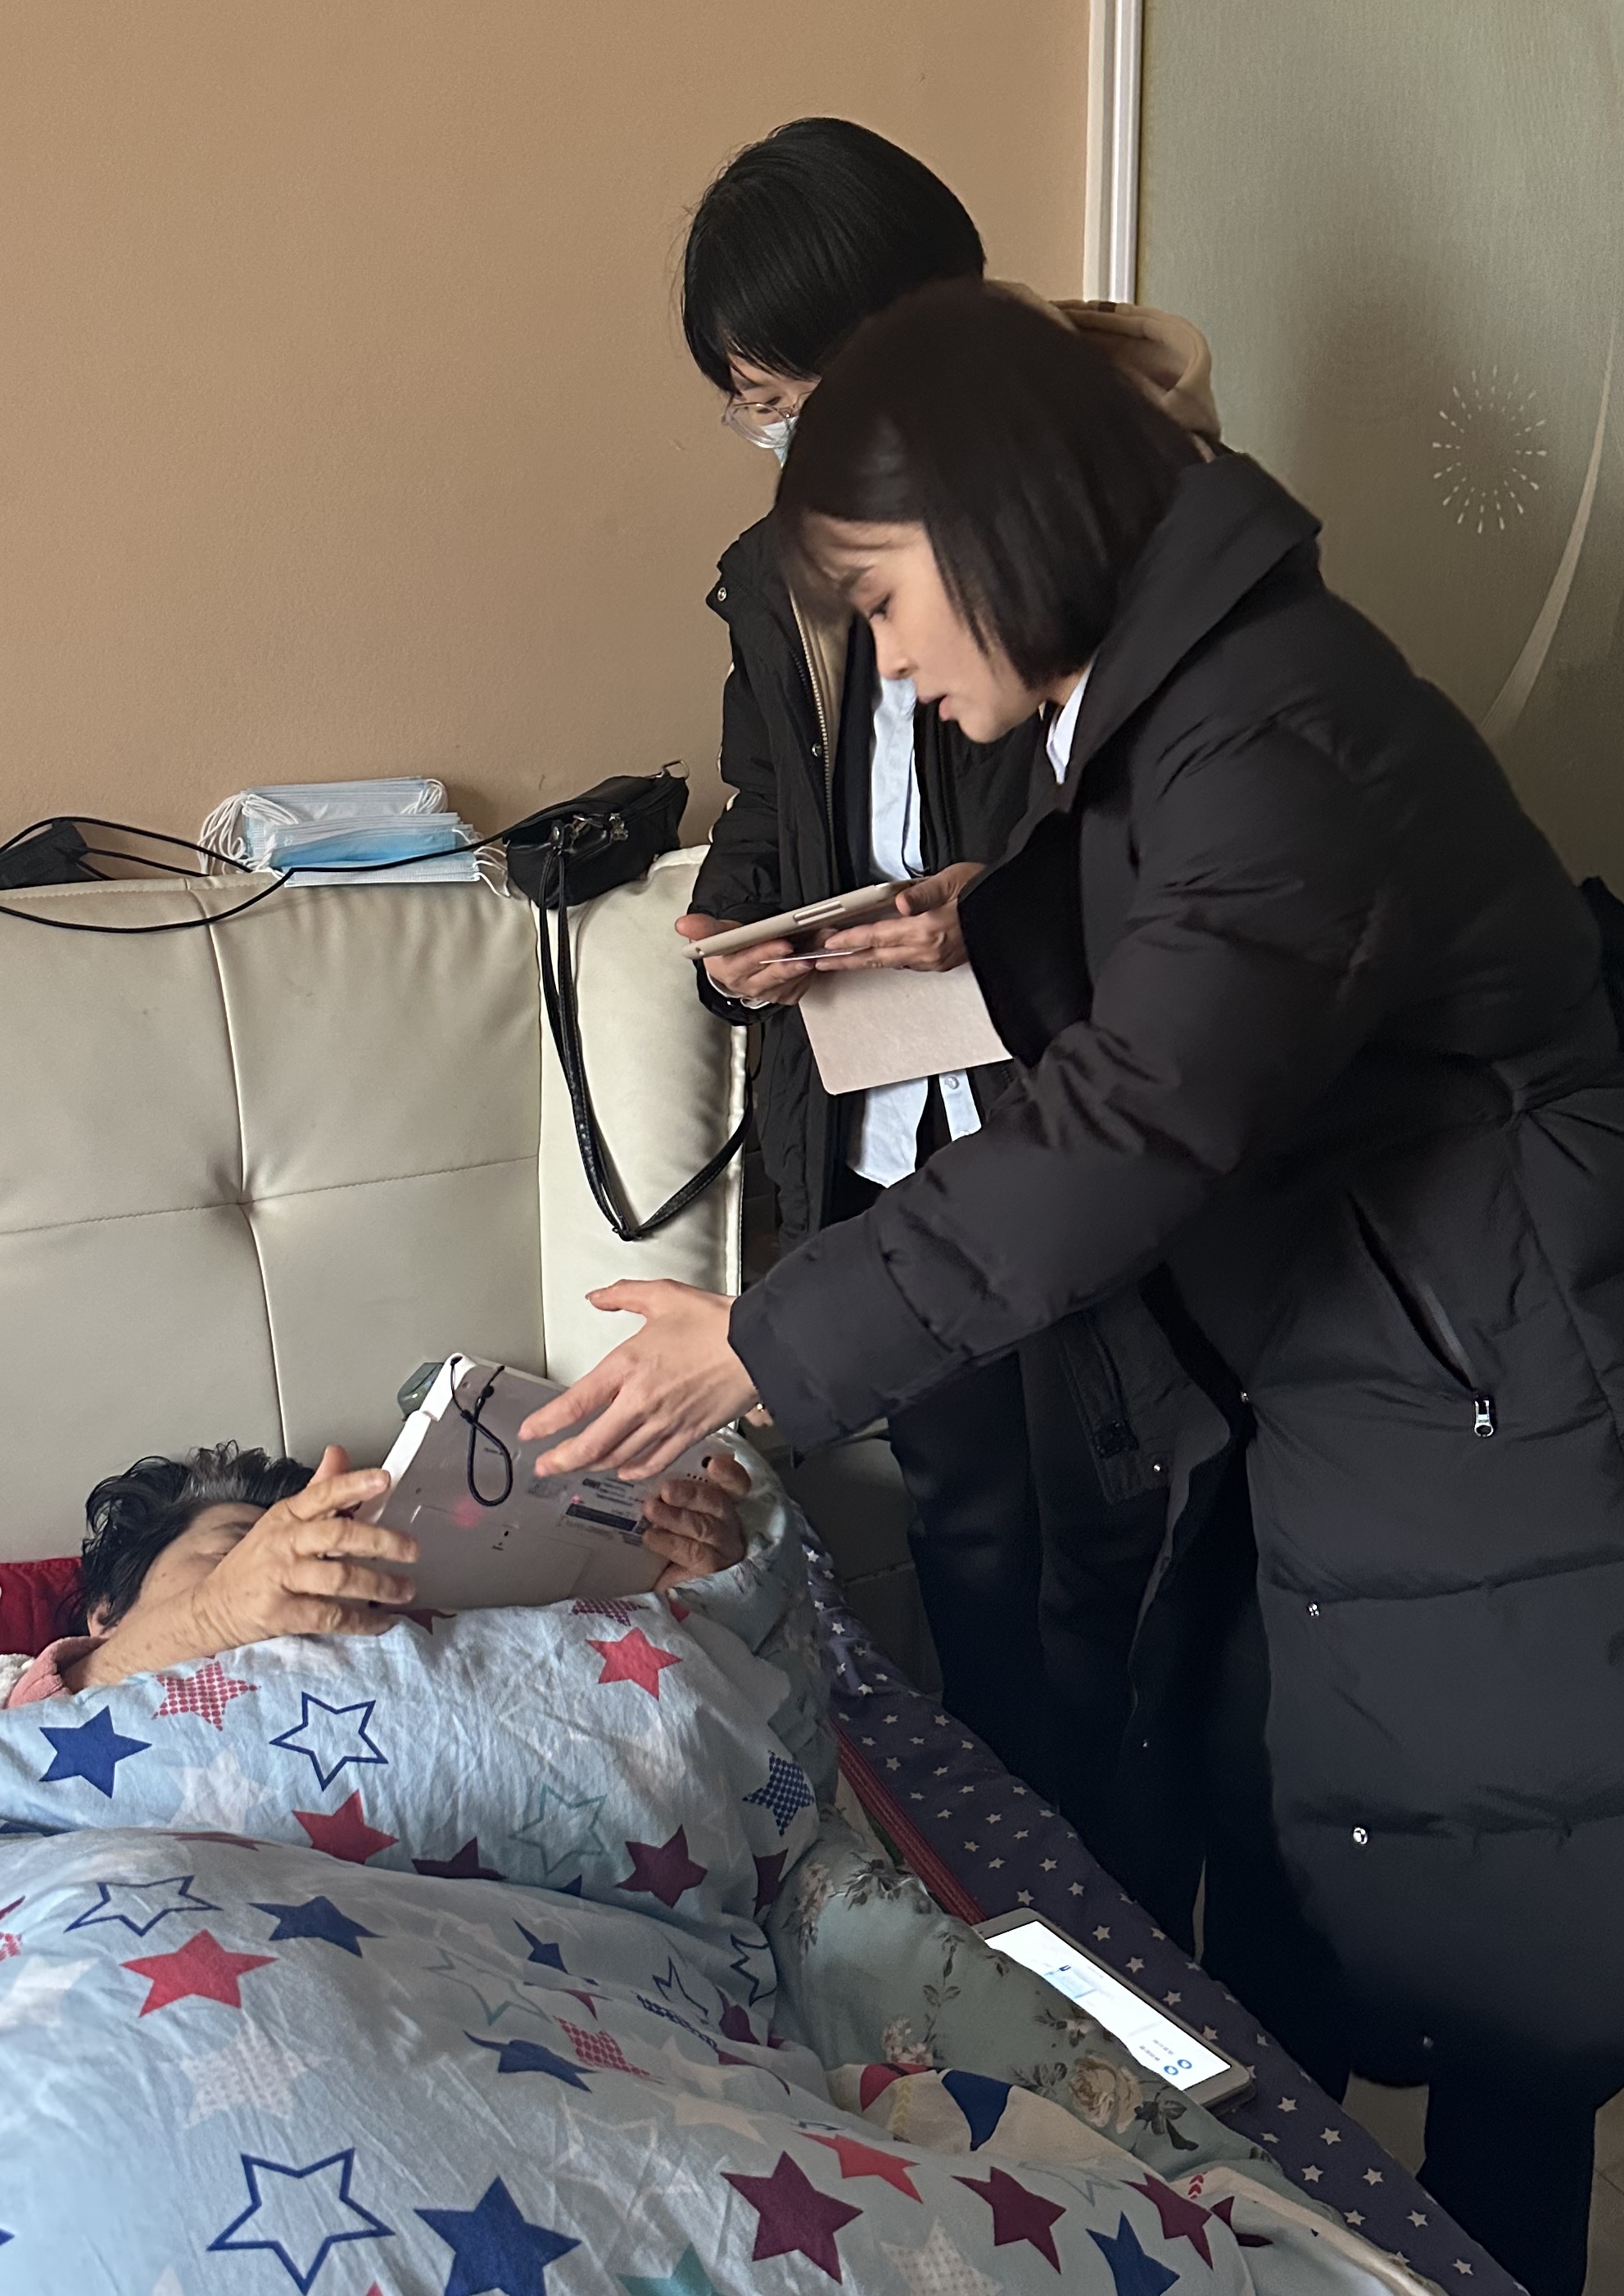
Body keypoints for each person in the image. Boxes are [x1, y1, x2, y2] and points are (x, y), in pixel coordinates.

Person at [522, 283, 1624, 2296]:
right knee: (1321, 1863)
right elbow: (1193, 944)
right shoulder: (1192, 693)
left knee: (1524, 1916)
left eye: (889, 602)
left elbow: (1140, 1116)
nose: (890, 663)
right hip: (1397, 1345)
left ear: (995, 526)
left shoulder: (1273, 715)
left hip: (1515, 1366)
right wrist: (989, 920)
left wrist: (767, 1342)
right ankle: (1317, 2241)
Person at [674, 118, 1214, 1831]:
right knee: (967, 1541)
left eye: (794, 395)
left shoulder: (1114, 529)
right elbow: (769, 809)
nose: (783, 440)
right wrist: (737, 942)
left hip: (1062, 1121)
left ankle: (1131, 1918)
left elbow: (1154, 851)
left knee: (1120, 1561)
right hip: (880, 1126)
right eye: (757, 409)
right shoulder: (778, 578)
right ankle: (1016, 1891)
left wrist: (1002, 913)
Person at [0, 1443, 749, 1754]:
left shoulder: (425, 1655)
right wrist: (216, 1615)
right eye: (236, 1551)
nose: (290, 1576)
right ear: (107, 1616)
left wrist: (686, 1607)